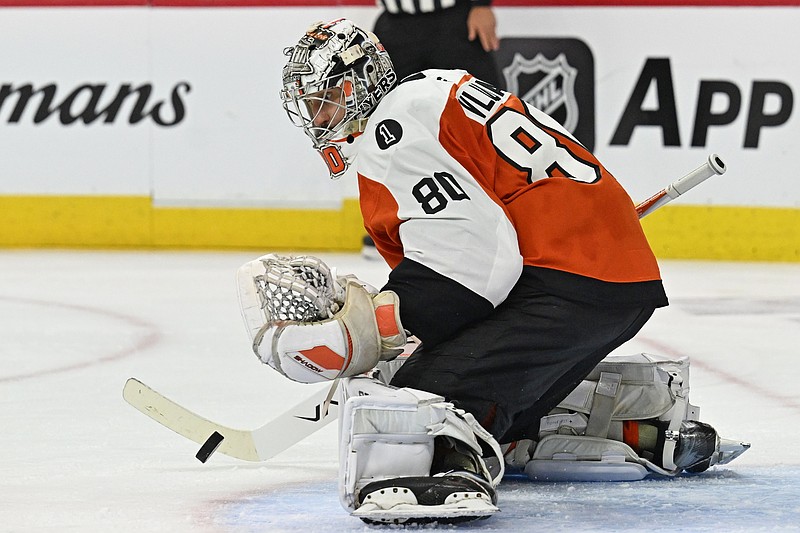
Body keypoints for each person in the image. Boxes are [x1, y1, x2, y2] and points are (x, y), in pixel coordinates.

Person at [240, 18, 744, 524]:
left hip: (565, 283)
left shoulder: (391, 131)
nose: (315, 115)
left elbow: (474, 258)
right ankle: (636, 425)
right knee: (458, 379)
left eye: (323, 97)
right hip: (605, 276)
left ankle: (450, 471)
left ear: (358, 84)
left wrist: (381, 324)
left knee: (410, 399)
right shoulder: (436, 90)